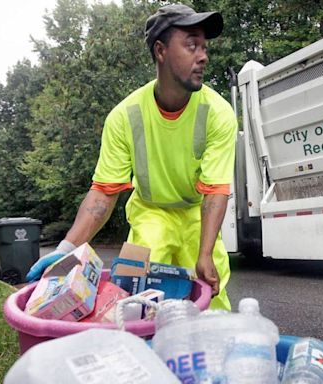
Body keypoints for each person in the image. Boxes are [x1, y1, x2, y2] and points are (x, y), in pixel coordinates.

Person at [26, 4, 237, 310]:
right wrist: (67, 248)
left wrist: (205, 254)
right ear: (161, 51)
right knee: (135, 294)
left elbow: (216, 192)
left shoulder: (218, 113)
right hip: (151, 213)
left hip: (196, 216)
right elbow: (103, 193)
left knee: (210, 299)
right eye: (191, 45)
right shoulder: (125, 116)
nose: (203, 55)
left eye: (204, 46)